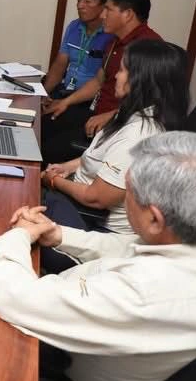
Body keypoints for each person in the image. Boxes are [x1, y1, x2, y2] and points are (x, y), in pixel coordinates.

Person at [0, 131, 196, 381]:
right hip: (78, 323)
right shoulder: (194, 241)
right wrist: (57, 234)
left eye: (128, 191)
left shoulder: (146, 293)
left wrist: (19, 235)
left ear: (154, 219)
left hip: (62, 366)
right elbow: (127, 247)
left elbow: (15, 297)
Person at [41, 40, 188, 272]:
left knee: (15, 206)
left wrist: (53, 180)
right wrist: (67, 167)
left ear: (140, 80)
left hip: (93, 225)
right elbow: (100, 155)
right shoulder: (133, 112)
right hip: (79, 203)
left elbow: (96, 198)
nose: (116, 76)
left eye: (122, 70)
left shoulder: (140, 134)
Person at [41, 0, 162, 165]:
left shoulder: (149, 48)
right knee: (42, 124)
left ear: (128, 14)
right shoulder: (115, 41)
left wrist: (112, 116)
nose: (103, 15)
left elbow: (153, 104)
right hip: (96, 113)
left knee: (47, 149)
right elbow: (99, 80)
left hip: (118, 127)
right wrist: (66, 102)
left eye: (108, 9)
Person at [41, 0, 115, 99]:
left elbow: (102, 82)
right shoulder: (74, 26)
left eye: (87, 1)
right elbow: (59, 66)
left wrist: (66, 103)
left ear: (104, 5)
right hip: (66, 91)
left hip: (90, 99)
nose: (80, 6)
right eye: (79, 0)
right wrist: (43, 95)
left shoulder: (111, 35)